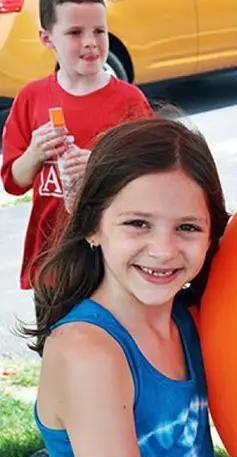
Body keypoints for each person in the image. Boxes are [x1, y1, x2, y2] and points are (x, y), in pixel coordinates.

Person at [20, 117, 237, 457]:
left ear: (211, 235)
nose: (163, 250)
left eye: (187, 227)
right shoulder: (88, 352)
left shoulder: (189, 321)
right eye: (138, 223)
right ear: (93, 226)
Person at [0, 0, 152, 326]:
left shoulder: (128, 101)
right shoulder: (32, 97)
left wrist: (99, 168)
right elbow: (13, 180)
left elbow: (150, 180)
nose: (90, 41)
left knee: (109, 346)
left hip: (110, 260)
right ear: (46, 38)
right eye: (74, 32)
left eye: (99, 30)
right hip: (51, 260)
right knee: (56, 348)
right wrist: (34, 153)